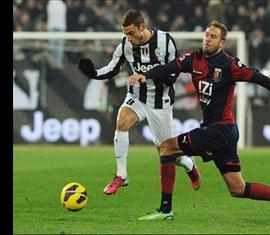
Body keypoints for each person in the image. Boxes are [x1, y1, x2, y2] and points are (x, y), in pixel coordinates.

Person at [128, 21, 270, 222]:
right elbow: (168, 68)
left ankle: (166, 209)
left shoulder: (229, 65)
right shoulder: (194, 59)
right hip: (221, 132)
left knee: (166, 148)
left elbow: (261, 79)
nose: (207, 39)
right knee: (238, 188)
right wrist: (144, 75)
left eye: (213, 36)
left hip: (220, 130)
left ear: (222, 43)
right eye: (206, 35)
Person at [78, 10, 201, 195]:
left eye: (131, 33)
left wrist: (149, 76)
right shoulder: (126, 46)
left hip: (160, 101)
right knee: (122, 122)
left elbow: (174, 72)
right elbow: (112, 68)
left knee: (166, 151)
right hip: (137, 97)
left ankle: (189, 164)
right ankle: (121, 175)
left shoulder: (165, 41)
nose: (128, 38)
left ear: (142, 27)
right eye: (125, 34)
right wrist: (93, 73)